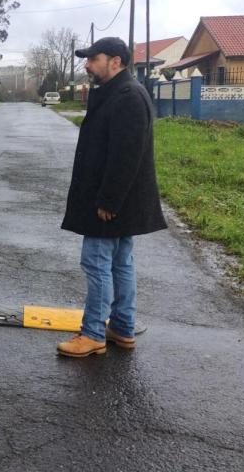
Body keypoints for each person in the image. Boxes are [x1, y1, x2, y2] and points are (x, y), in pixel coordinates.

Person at [57, 37, 166, 358]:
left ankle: (92, 334)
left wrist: (108, 201)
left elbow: (126, 156)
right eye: (87, 59)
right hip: (118, 201)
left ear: (115, 61)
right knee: (120, 263)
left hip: (110, 203)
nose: (87, 65)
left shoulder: (127, 97)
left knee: (97, 263)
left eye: (94, 59)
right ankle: (121, 326)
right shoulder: (118, 93)